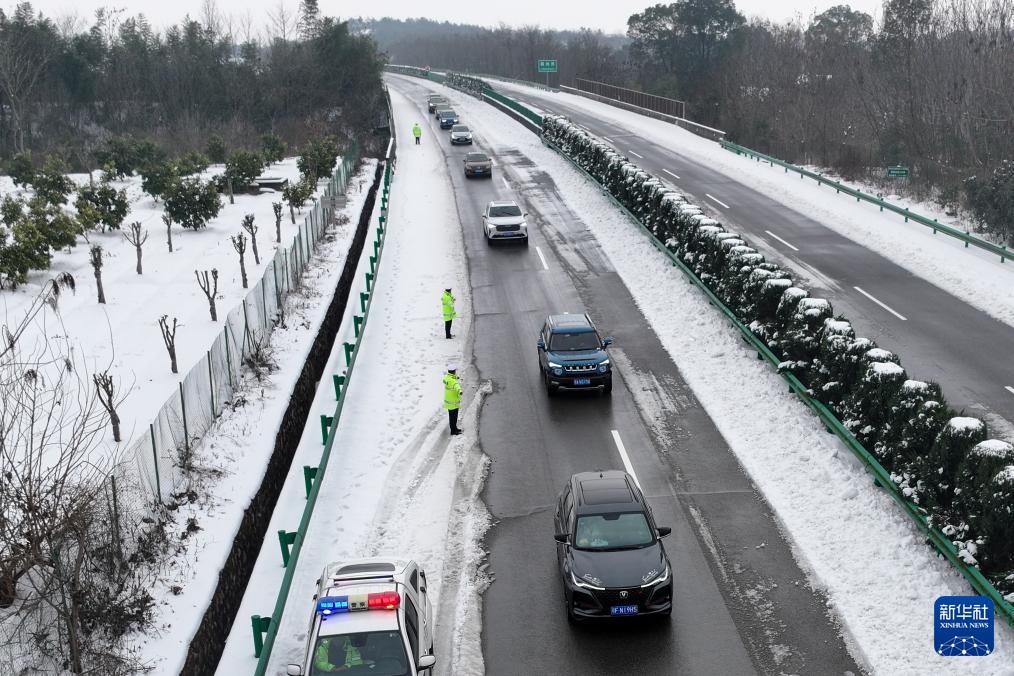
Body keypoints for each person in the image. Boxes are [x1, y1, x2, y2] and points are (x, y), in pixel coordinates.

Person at [444, 365, 462, 435]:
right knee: (454, 418)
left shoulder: (447, 378)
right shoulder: (453, 381)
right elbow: (456, 386)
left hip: (448, 402)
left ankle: (454, 429)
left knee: (451, 417)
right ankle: (454, 431)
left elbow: (450, 380)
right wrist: (460, 391)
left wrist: (456, 377)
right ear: (454, 372)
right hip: (453, 403)